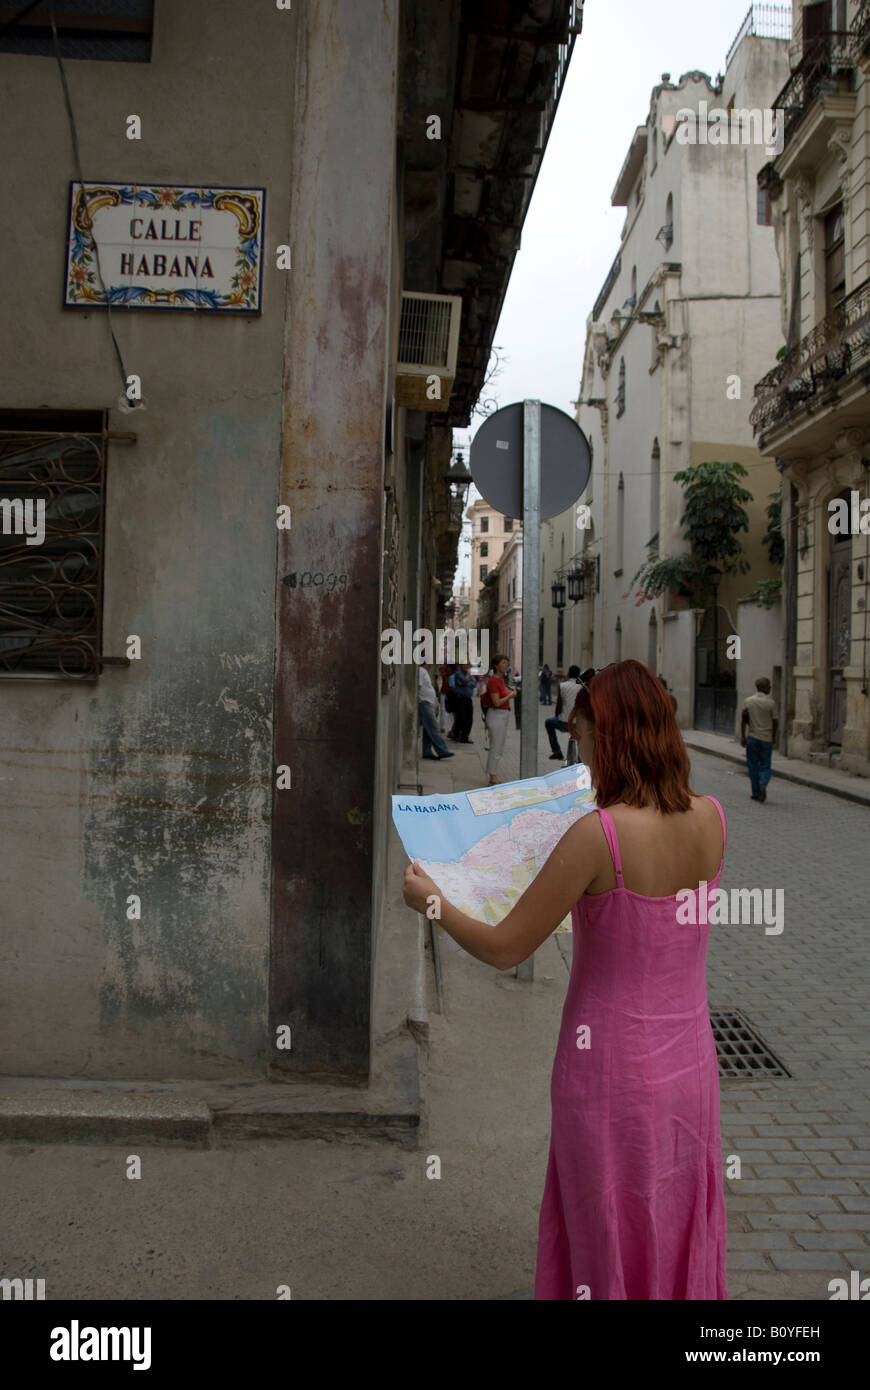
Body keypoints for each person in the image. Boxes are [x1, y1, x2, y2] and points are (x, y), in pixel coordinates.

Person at [403, 659, 728, 1300]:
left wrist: (433, 903)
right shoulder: (713, 818)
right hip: (690, 1065)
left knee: (605, 1219)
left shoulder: (597, 836)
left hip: (607, 1069)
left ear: (608, 737)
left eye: (581, 742)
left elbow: (504, 948)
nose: (579, 761)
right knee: (672, 1211)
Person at [741, 676, 778, 803]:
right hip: (766, 739)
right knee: (765, 765)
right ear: (763, 687)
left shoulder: (748, 701)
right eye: (768, 686)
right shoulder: (771, 703)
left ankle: (756, 792)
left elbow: (744, 720)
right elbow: (775, 722)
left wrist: (743, 736)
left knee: (752, 765)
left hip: (752, 737)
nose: (770, 688)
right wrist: (774, 737)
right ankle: (763, 782)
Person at [484, 654, 516, 785]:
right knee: (495, 746)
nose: (506, 665)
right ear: (496, 665)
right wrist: (511, 695)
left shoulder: (501, 680)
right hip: (496, 715)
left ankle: (493, 772)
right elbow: (496, 702)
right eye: (503, 663)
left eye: (507, 663)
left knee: (499, 746)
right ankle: (492, 775)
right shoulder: (493, 681)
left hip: (503, 716)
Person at [545, 665, 582, 761]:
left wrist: (557, 716)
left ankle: (556, 751)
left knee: (548, 722)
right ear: (579, 674)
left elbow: (559, 705)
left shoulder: (562, 686)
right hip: (579, 724)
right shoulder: (583, 687)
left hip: (564, 722)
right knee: (582, 739)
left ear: (568, 673)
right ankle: (581, 761)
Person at [418, 664, 454, 761]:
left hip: (428, 702)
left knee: (427, 728)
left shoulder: (424, 671)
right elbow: (418, 686)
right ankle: (442, 750)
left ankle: (427, 751)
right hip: (424, 702)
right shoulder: (421, 671)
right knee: (433, 726)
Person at [451, 663, 476, 743]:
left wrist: (466, 683)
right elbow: (464, 680)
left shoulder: (470, 675)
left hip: (468, 699)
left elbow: (474, 683)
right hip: (460, 699)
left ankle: (465, 736)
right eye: (465, 664)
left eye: (468, 664)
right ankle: (457, 735)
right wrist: (467, 679)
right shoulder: (458, 674)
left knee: (469, 718)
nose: (467, 666)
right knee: (461, 718)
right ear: (461, 665)